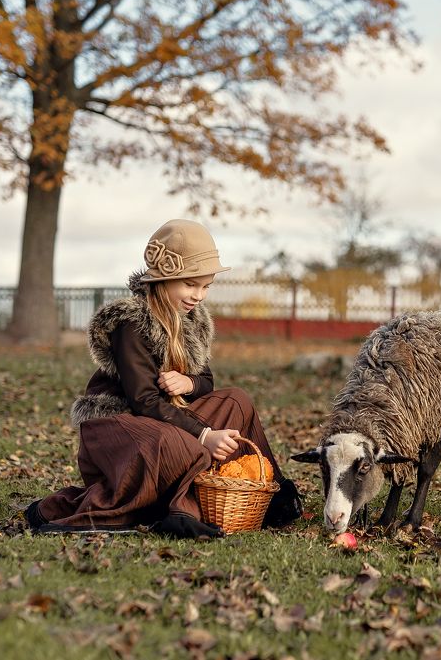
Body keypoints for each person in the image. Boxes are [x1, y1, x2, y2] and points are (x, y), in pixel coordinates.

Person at [25, 219, 302, 537]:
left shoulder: (191, 319)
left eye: (206, 286)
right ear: (164, 279)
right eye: (191, 284)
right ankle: (180, 509)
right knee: (180, 444)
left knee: (236, 400)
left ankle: (268, 492)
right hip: (123, 427)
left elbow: (206, 379)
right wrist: (204, 434)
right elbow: (143, 400)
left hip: (168, 417)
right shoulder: (132, 323)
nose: (199, 295)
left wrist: (189, 383)